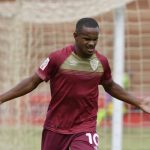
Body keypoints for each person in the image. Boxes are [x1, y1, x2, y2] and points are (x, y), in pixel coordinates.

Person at [0, 18, 150, 150]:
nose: (91, 43)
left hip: (85, 126)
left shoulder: (101, 62)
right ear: (75, 36)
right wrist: (2, 98)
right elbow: (33, 81)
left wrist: (139, 102)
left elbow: (110, 86)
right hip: (56, 126)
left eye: (95, 39)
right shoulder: (57, 58)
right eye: (86, 39)